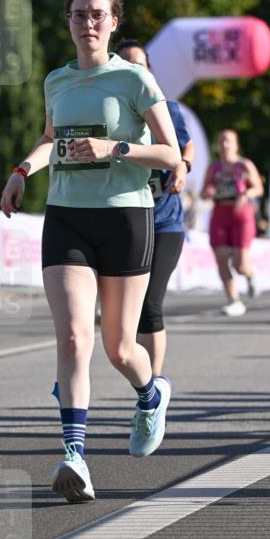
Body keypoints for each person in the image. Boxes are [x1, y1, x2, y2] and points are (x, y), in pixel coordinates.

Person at [0, 0, 180, 503]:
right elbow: (50, 138)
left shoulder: (134, 78)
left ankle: (151, 394)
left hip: (125, 217)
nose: (88, 23)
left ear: (114, 22)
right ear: (69, 22)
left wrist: (115, 146)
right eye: (79, 14)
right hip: (66, 217)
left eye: (98, 14)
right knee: (75, 338)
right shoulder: (57, 80)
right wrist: (23, 170)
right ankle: (75, 456)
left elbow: (172, 157)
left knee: (120, 348)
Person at [116, 38, 195, 376]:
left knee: (150, 304)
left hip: (165, 222)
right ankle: (143, 383)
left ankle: (154, 387)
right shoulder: (110, 113)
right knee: (123, 312)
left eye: (139, 64)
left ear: (149, 71)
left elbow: (185, 145)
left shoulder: (168, 109)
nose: (133, 70)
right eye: (125, 64)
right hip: (125, 221)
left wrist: (182, 166)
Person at [201, 129, 264, 316]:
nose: (225, 145)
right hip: (220, 214)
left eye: (228, 141)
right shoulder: (213, 168)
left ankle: (250, 275)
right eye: (221, 141)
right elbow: (205, 190)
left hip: (241, 216)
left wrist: (246, 194)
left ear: (236, 144)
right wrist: (208, 192)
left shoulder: (244, 166)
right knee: (221, 258)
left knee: (240, 264)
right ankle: (233, 300)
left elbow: (258, 189)